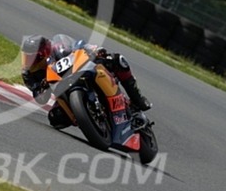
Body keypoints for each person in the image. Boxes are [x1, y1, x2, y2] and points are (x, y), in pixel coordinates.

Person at [21, 34, 152, 129]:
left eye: (32, 57)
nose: (28, 61)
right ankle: (93, 121)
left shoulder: (59, 47)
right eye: (26, 57)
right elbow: (40, 98)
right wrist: (42, 88)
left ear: (44, 53)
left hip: (82, 72)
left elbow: (80, 47)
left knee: (118, 60)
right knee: (56, 118)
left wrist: (94, 50)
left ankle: (137, 99)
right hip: (64, 92)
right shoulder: (29, 74)